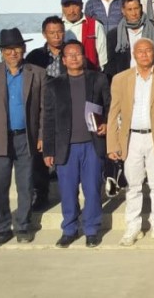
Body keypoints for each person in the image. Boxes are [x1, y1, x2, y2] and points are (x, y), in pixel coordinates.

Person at [0, 28, 45, 246]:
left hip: (26, 138)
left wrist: (41, 135)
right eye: (7, 49)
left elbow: (43, 108)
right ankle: (2, 228)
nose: (12, 53)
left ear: (23, 49)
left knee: (25, 184)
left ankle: (23, 226)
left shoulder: (37, 73)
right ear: (2, 52)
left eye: (16, 48)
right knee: (0, 185)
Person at [106, 38, 154, 246]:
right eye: (140, 51)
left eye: (148, 51)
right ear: (133, 54)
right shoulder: (121, 79)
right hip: (131, 138)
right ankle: (133, 227)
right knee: (133, 185)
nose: (144, 54)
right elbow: (114, 113)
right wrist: (113, 144)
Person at [42, 40, 111, 248]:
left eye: (78, 54)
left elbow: (109, 105)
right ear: (63, 60)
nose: (74, 57)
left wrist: (107, 123)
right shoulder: (54, 85)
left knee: (92, 189)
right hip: (66, 147)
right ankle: (69, 229)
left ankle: (91, 229)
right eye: (69, 55)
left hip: (92, 144)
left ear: (84, 57)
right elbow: (49, 119)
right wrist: (48, 149)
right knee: (68, 190)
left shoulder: (98, 79)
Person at [23, 16, 66, 210]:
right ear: (44, 34)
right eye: (52, 33)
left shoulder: (73, 51)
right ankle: (41, 194)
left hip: (67, 108)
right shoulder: (35, 57)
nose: (57, 36)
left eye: (59, 31)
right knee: (40, 153)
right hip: (43, 108)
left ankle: (68, 191)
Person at [104, 0, 154, 79]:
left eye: (136, 8)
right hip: (125, 80)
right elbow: (111, 64)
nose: (134, 13)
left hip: (152, 78)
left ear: (141, 8)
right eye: (129, 9)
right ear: (123, 11)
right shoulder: (113, 35)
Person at [61, 0, 108, 71]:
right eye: (67, 6)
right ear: (62, 8)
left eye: (75, 5)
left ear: (82, 6)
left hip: (90, 75)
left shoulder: (95, 25)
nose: (71, 10)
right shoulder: (58, 27)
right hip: (63, 76)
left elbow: (103, 56)